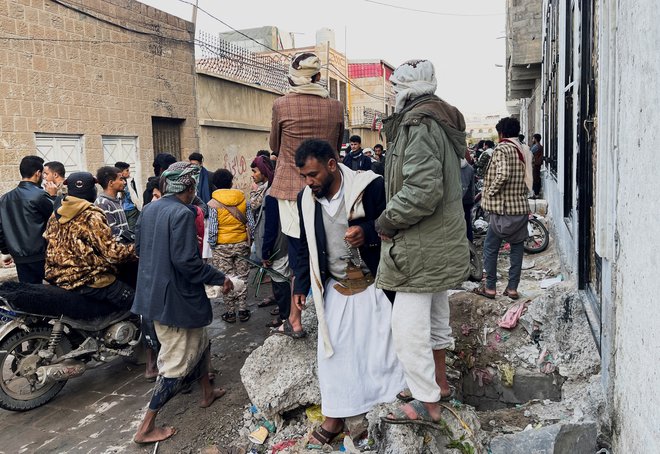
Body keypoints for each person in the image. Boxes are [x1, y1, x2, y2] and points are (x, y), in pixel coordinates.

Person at [290, 139, 404, 445]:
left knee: (381, 353)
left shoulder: (369, 186)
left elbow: (395, 224)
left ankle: (380, 412)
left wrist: (366, 232)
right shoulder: (307, 200)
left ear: (331, 165)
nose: (309, 182)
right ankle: (336, 417)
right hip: (336, 288)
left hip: (374, 285)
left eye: (312, 175)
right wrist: (300, 286)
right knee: (334, 355)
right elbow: (304, 246)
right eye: (304, 177)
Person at [375, 60, 469, 428]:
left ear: (404, 89)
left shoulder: (418, 124)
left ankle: (425, 402)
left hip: (420, 245)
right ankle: (440, 386)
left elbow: (422, 190)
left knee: (408, 328)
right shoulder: (437, 120)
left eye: (394, 86)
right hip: (437, 242)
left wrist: (386, 220)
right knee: (434, 318)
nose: (391, 92)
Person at [131, 162, 232, 444]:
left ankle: (206, 392)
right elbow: (187, 262)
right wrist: (220, 277)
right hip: (174, 301)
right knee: (176, 366)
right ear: (189, 188)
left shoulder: (150, 208)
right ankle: (146, 427)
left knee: (202, 342)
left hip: (153, 295)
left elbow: (140, 249)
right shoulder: (182, 214)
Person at [269, 51, 344, 333]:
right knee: (329, 249)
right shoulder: (335, 107)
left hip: (290, 187)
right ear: (319, 77)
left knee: (299, 253)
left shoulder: (281, 105)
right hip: (328, 185)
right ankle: (334, 315)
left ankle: (295, 320)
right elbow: (336, 145)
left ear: (292, 76)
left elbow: (275, 144)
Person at [44, 172, 136, 309]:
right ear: (91, 191)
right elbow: (112, 254)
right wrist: (137, 249)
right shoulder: (91, 215)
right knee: (136, 303)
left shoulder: (56, 214)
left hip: (57, 277)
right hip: (88, 280)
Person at [474, 117, 531, 301]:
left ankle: (490, 288)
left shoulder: (502, 149)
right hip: (520, 207)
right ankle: (512, 288)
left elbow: (503, 174)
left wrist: (488, 192)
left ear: (502, 134)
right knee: (516, 248)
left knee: (490, 248)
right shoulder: (525, 149)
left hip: (502, 209)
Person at [0, 156, 56, 283]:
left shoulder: (4, 198)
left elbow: (1, 229)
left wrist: (5, 251)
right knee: (55, 293)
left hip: (20, 257)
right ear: (38, 173)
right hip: (41, 256)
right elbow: (55, 220)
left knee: (31, 295)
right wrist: (53, 198)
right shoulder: (40, 195)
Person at [208, 169, 251, 323]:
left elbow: (213, 228)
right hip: (241, 244)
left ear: (214, 185)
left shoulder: (213, 203)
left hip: (221, 246)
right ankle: (243, 310)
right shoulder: (243, 200)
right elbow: (250, 223)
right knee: (243, 276)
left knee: (226, 278)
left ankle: (230, 313)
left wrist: (213, 245)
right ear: (231, 182)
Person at [95, 166, 132, 243]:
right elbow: (112, 232)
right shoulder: (102, 203)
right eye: (121, 179)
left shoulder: (116, 201)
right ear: (111, 183)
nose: (124, 182)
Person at [114, 162, 142, 231]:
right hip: (123, 210)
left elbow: (134, 196)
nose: (129, 173)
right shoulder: (119, 183)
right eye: (127, 170)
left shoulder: (130, 181)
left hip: (131, 210)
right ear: (121, 172)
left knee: (131, 230)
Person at [461, 158, 476, 242]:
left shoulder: (453, 167)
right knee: (467, 222)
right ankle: (469, 242)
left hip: (456, 200)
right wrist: (473, 199)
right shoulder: (470, 168)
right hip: (467, 199)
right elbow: (472, 186)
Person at [531, 133, 544, 197]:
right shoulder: (541, 146)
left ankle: (536, 194)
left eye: (533, 138)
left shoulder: (535, 146)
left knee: (535, 179)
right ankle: (536, 193)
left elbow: (530, 153)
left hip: (535, 164)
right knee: (537, 178)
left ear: (535, 139)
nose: (532, 140)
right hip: (538, 164)